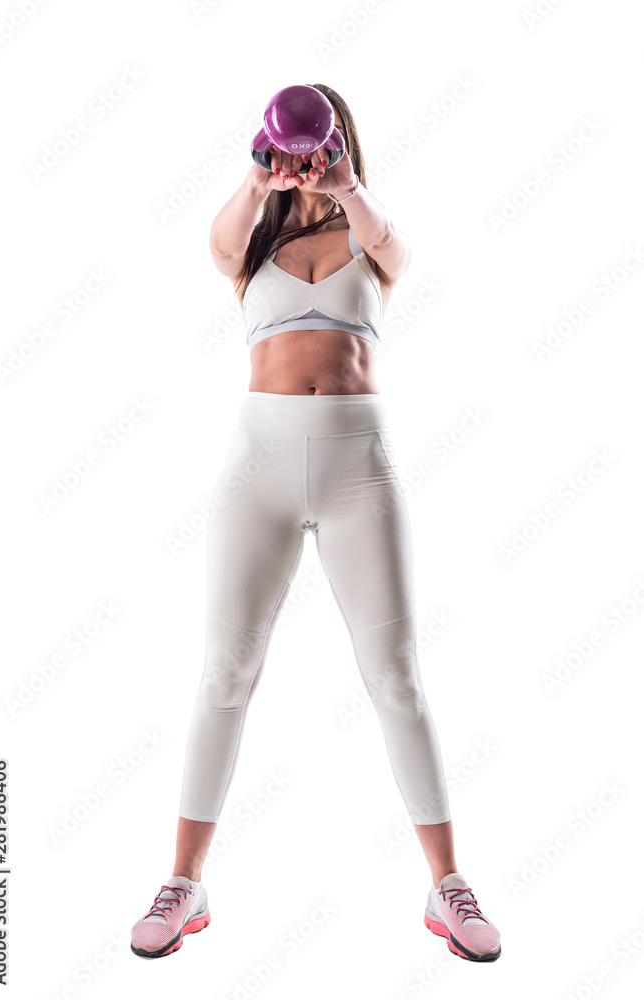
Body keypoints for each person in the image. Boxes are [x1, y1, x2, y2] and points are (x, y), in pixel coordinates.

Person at [131, 83, 501, 963]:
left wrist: (345, 185)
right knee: (225, 672)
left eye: (315, 152)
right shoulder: (251, 244)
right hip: (256, 467)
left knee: (396, 677)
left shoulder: (368, 239)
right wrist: (258, 179)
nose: (301, 165)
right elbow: (218, 244)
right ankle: (184, 882)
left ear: (338, 146)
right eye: (288, 153)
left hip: (355, 469)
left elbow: (394, 246)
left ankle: (447, 886)